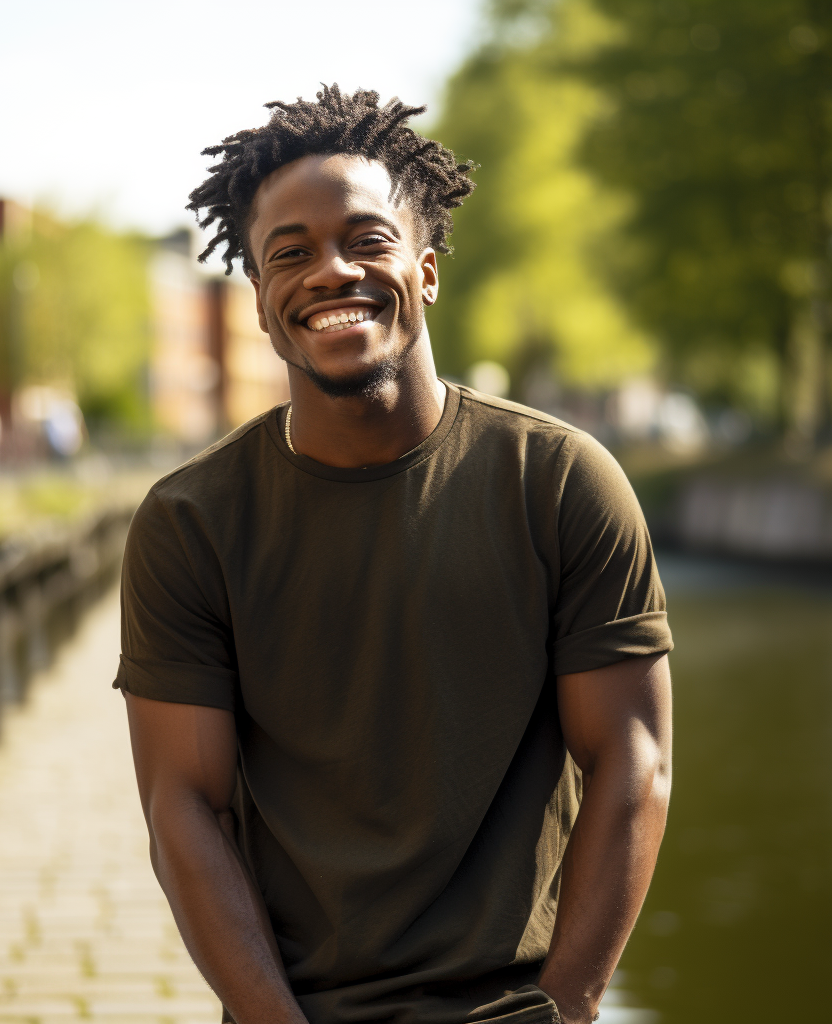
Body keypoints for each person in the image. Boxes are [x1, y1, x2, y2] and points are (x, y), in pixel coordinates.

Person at [116, 85, 673, 1024]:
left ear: (425, 271)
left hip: (515, 1006)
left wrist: (564, 1007)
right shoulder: (189, 524)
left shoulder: (562, 482)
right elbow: (186, 810)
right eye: (288, 254)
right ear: (258, 301)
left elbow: (633, 762)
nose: (329, 272)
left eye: (366, 241)